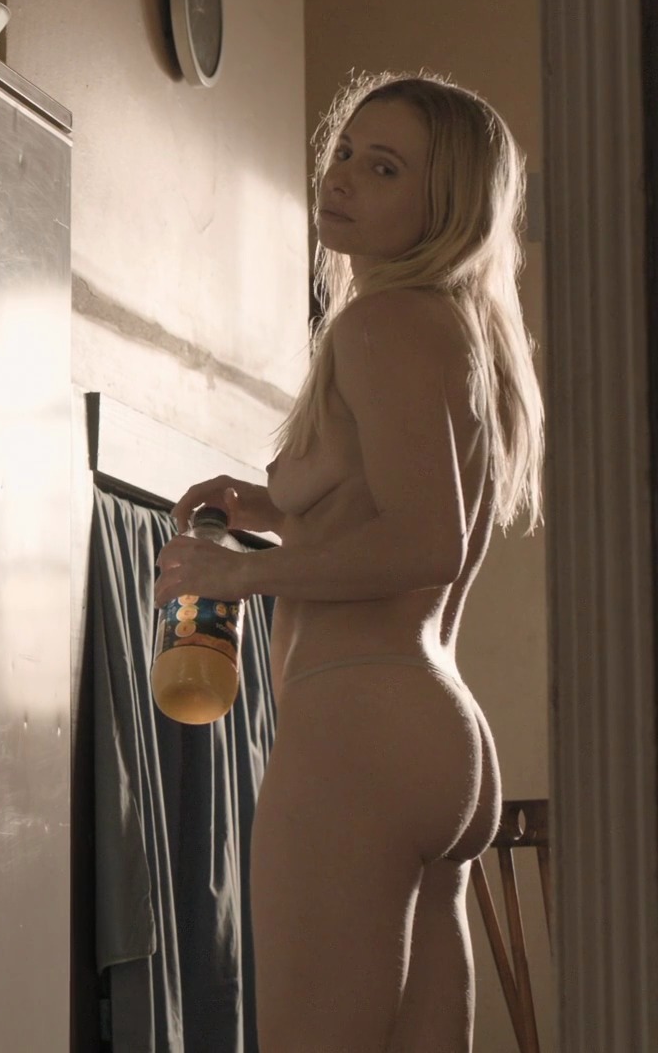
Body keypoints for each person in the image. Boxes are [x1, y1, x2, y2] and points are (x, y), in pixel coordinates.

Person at [153, 73, 541, 1052]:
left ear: (447, 205)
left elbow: (424, 540)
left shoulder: (382, 325)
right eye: (345, 151)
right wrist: (265, 511)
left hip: (358, 738)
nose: (343, 177)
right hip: (437, 735)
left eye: (386, 167)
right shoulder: (452, 328)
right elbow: (392, 512)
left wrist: (240, 576)